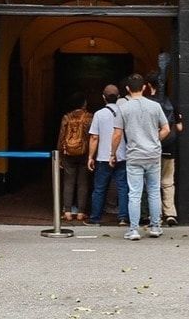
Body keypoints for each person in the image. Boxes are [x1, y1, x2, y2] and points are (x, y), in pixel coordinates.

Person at [112, 73, 169, 241]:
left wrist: (112, 153)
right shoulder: (155, 106)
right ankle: (156, 227)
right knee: (153, 191)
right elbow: (165, 128)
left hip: (134, 155)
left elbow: (117, 134)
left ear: (128, 89)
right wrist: (154, 139)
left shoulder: (123, 108)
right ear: (144, 87)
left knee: (135, 193)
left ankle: (134, 229)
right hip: (153, 154)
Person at [85, 83, 129, 227]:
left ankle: (95, 218)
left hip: (103, 157)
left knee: (99, 188)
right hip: (122, 155)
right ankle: (123, 218)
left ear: (103, 97)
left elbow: (94, 137)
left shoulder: (99, 114)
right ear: (118, 97)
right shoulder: (124, 112)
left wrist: (90, 156)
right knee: (123, 187)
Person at [144, 70, 184, 226]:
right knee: (167, 181)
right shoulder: (172, 102)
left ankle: (155, 214)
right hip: (170, 145)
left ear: (148, 86)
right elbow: (180, 127)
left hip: (151, 147)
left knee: (152, 183)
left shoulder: (147, 103)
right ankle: (170, 213)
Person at [56, 92, 92, 222]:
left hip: (68, 153)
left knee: (68, 182)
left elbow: (61, 137)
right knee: (83, 182)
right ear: (83, 104)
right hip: (85, 153)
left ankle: (67, 212)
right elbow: (92, 136)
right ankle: (81, 213)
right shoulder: (89, 117)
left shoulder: (66, 118)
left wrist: (59, 155)